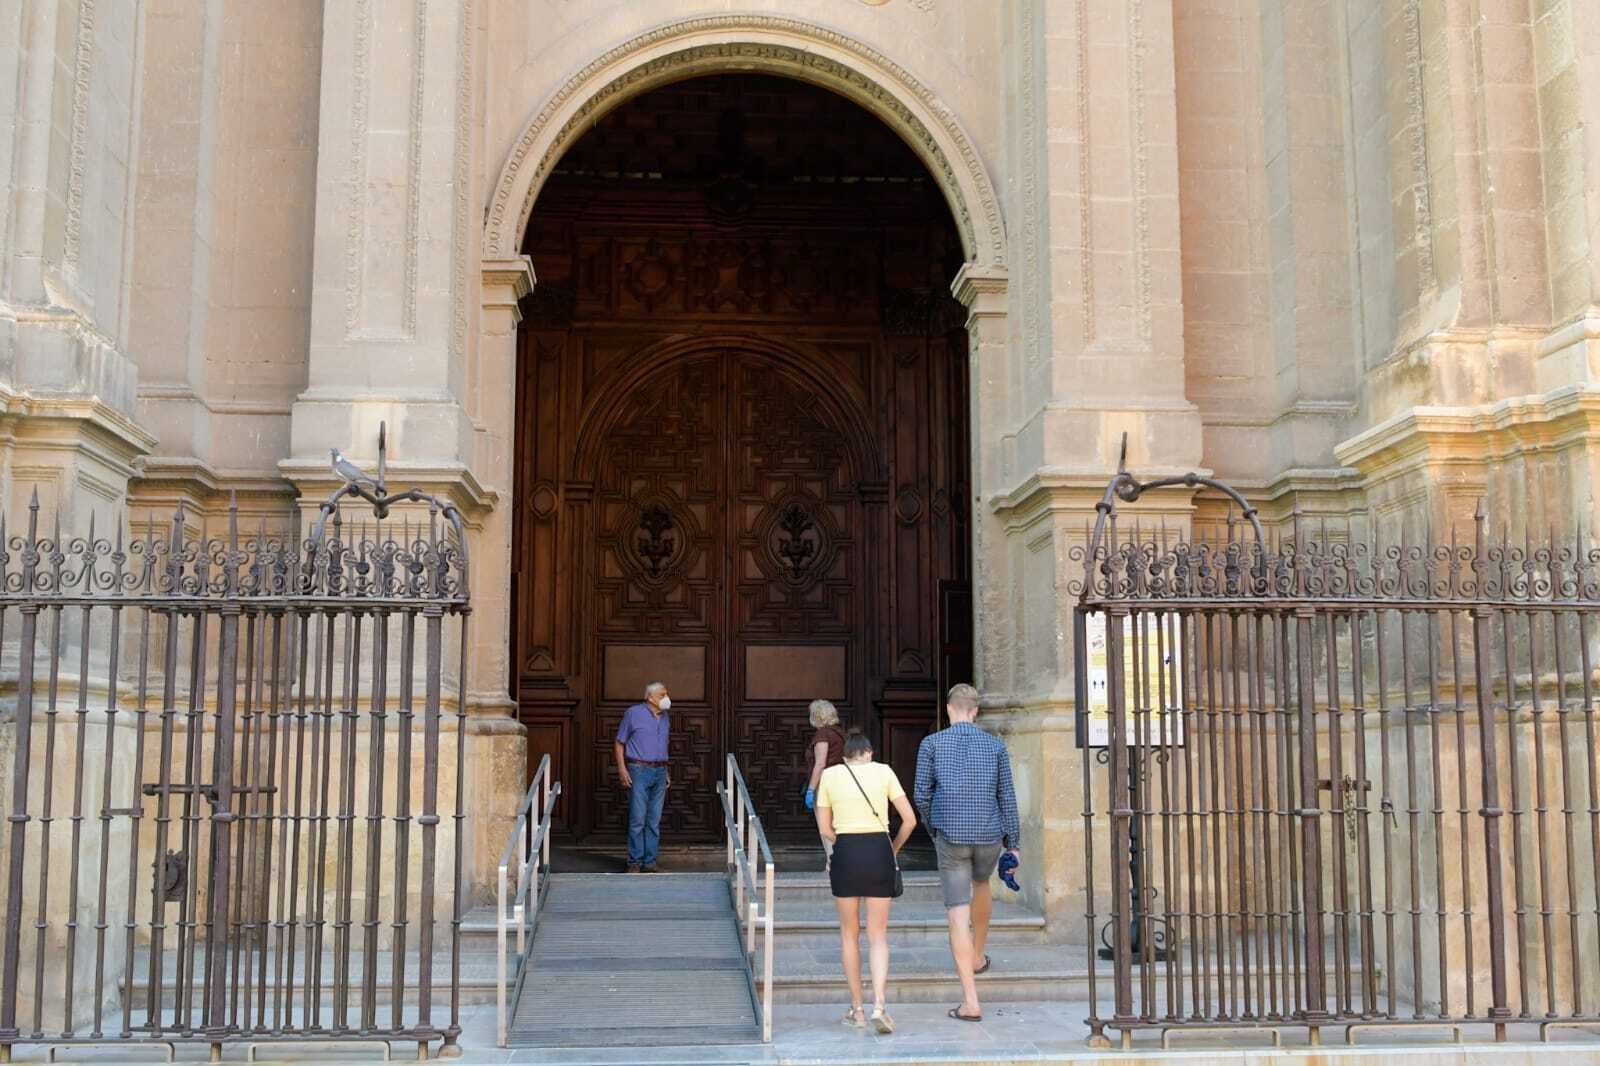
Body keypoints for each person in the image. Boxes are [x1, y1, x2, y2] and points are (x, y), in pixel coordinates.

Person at [913, 683, 1020, 1023]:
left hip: (952, 836)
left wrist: (934, 828)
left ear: (948, 709)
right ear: (975, 711)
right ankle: (977, 955)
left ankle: (970, 1000)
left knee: (957, 913)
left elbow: (921, 796)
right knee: (983, 884)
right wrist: (1013, 842)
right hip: (989, 835)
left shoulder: (931, 743)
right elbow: (1008, 797)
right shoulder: (995, 745)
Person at [815, 730, 916, 1035]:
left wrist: (844, 841)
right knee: (878, 936)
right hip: (879, 851)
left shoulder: (831, 776)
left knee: (849, 934)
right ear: (869, 753)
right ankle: (880, 1006)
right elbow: (910, 820)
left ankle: (857, 1009)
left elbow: (824, 827)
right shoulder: (884, 772)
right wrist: (892, 849)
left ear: (845, 756)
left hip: (846, 852)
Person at [614, 681, 671, 873]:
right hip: (638, 770)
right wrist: (622, 769)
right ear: (650, 697)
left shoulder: (665, 718)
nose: (666, 698)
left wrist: (666, 771)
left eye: (666, 694)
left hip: (660, 772)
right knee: (638, 818)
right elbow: (619, 742)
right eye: (662, 695)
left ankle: (650, 862)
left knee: (654, 820)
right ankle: (634, 862)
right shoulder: (633, 714)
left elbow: (662, 745)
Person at [802, 699, 847, 870]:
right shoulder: (841, 734)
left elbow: (820, 764)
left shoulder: (822, 735)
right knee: (839, 824)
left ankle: (833, 863)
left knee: (826, 827)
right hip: (842, 783)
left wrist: (811, 789)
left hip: (826, 785)